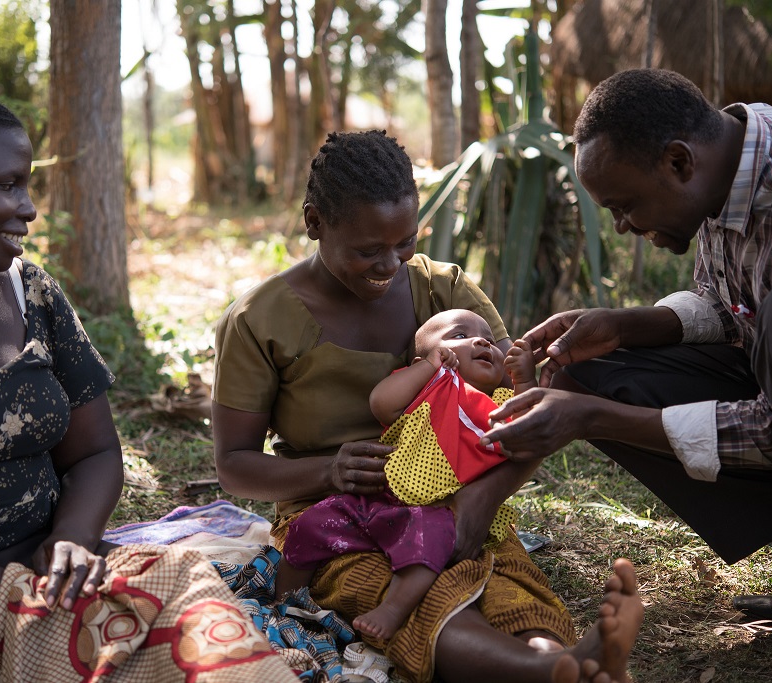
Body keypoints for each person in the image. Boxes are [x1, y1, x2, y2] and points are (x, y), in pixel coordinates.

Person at [0, 84, 298, 683]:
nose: (29, 207)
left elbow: (95, 450)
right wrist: (31, 597)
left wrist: (72, 538)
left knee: (197, 614)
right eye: (7, 184)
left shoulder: (31, 293)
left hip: (55, 572)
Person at [212, 129, 644, 683]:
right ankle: (550, 670)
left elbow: (523, 410)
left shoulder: (446, 296)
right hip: (339, 515)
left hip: (462, 492)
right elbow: (235, 465)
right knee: (405, 595)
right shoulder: (259, 320)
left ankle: (556, 652)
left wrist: (480, 503)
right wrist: (329, 471)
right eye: (368, 250)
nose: (389, 265)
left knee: (505, 576)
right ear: (314, 221)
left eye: (405, 243)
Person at [480, 69, 772, 682]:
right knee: (587, 372)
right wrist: (624, 325)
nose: (621, 227)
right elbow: (732, 311)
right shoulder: (726, 157)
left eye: (624, 206)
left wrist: (592, 420)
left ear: (676, 163)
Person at [275, 309, 539, 641]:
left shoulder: (497, 404)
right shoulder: (427, 386)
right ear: (426, 359)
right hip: (378, 495)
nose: (482, 340)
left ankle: (393, 609)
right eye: (459, 335)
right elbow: (380, 402)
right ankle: (282, 598)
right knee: (310, 524)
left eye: (488, 336)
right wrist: (428, 368)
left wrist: (525, 380)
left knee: (425, 550)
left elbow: (531, 431)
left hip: (439, 512)